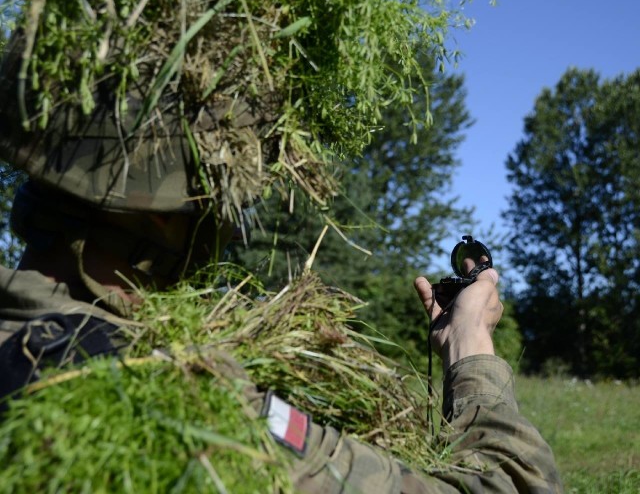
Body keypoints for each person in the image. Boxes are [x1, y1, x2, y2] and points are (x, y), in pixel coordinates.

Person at [0, 31, 561, 494]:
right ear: (167, 218)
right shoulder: (172, 403)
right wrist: (470, 348)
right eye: (224, 200)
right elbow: (516, 485)